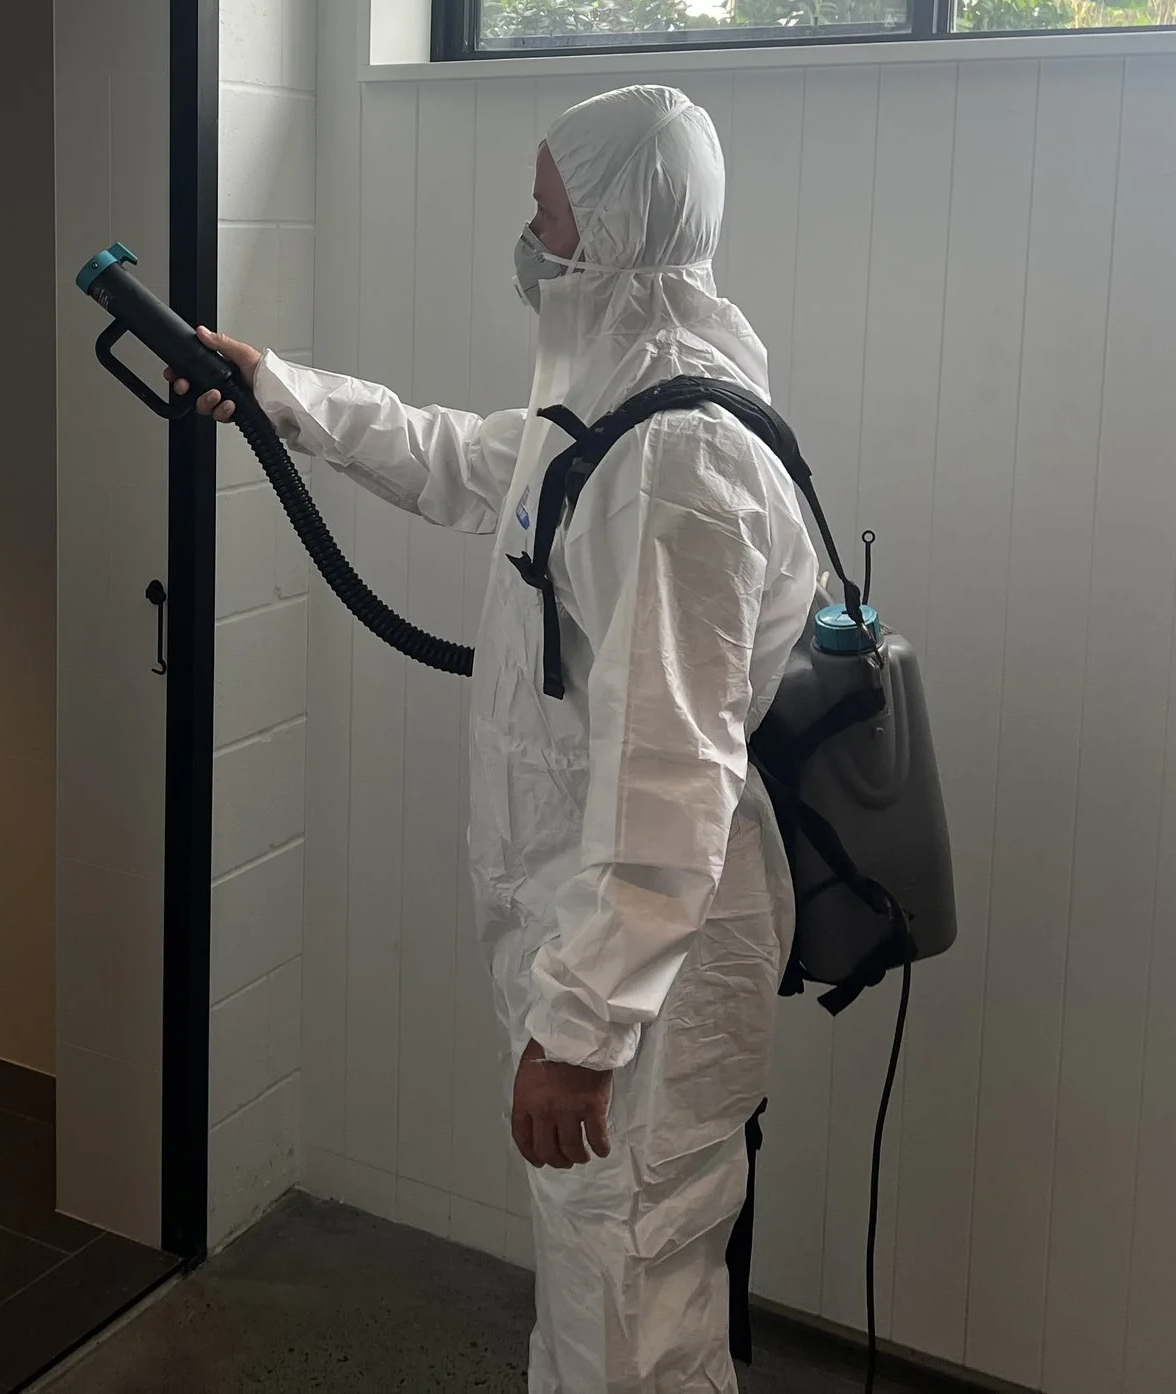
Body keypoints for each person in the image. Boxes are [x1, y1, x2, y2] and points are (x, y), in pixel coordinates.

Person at [177, 84, 819, 1393]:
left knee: (632, 1321)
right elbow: (460, 457)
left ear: (619, 230)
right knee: (606, 1301)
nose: (529, 244)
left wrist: (584, 1028)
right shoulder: (617, 414)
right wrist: (278, 392)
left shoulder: (676, 462)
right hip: (605, 959)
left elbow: (673, 780)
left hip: (644, 990)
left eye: (548, 216)